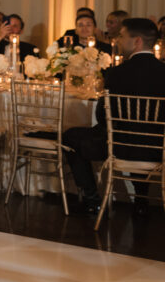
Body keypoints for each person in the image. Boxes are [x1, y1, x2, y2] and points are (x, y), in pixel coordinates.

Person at [63, 18, 165, 216]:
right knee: (139, 135)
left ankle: (92, 200)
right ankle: (141, 201)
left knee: (70, 137)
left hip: (120, 147)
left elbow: (102, 116)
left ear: (136, 41)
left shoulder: (117, 73)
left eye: (122, 36)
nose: (117, 40)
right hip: (158, 148)